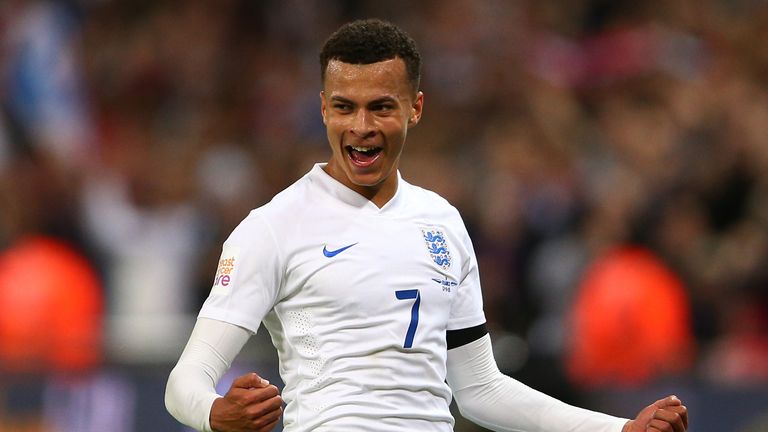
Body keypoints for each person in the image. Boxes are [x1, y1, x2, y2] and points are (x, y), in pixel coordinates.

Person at [165, 18, 689, 432]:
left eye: (381, 108)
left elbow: (481, 389)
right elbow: (184, 380)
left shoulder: (441, 223)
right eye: (344, 107)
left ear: (415, 109)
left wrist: (619, 428)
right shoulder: (273, 227)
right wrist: (215, 414)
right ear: (323, 108)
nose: (362, 127)